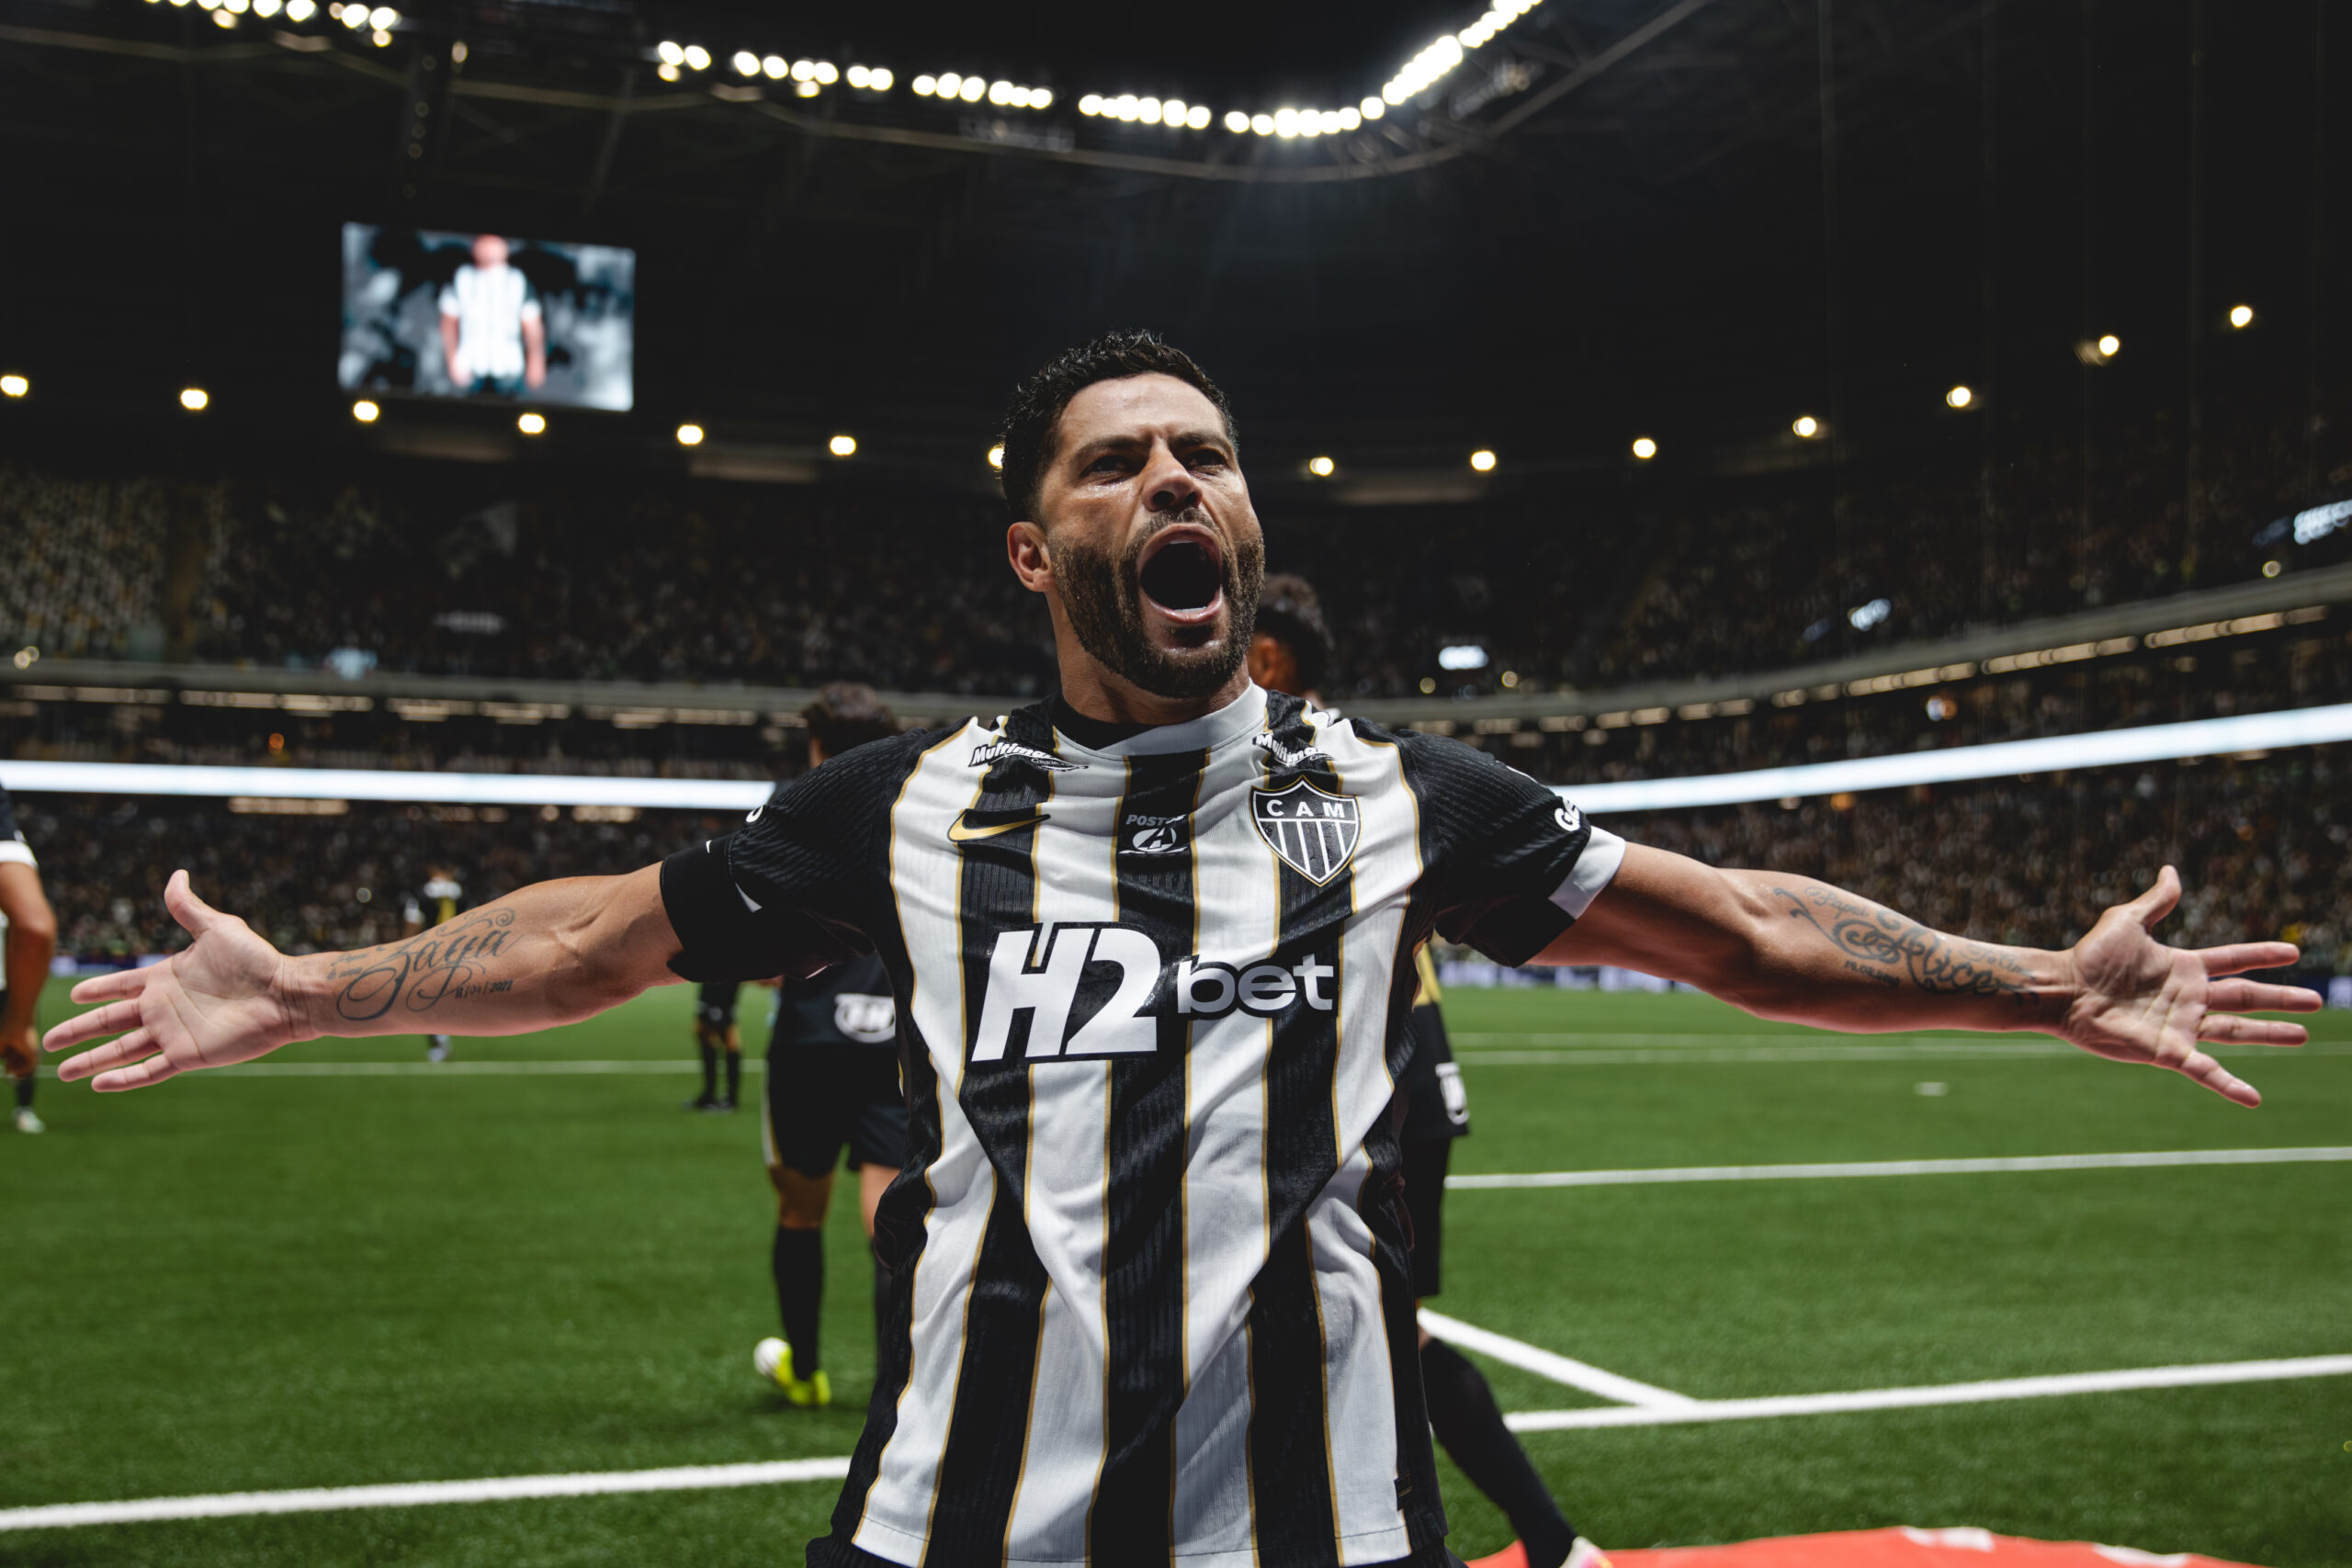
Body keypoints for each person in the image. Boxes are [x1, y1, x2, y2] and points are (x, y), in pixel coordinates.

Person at [46, 331, 2316, 1568]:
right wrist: (308, 986)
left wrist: (2038, 978)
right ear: (1033, 547)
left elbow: (1737, 932)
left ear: (1244, 517)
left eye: (1205, 455)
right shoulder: (907, 803)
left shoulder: (1402, 794)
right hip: (955, 1519)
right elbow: (593, 939)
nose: (1174, 481)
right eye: (1119, 459)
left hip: (1319, 1529)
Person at [1250, 578, 1605, 1568]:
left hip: (1369, 1070)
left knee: (1362, 1328)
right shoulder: (1373, 763)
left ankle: (1514, 1539)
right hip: (1400, 1055)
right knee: (1365, 1326)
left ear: (1268, 659)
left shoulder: (1291, 766)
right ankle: (1539, 1540)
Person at [754, 682, 912, 1410]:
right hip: (893, 1037)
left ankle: (807, 1373)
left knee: (800, 1210)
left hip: (812, 1038)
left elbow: (755, 940)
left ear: (818, 748)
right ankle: (898, 1391)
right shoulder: (917, 805)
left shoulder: (793, 810)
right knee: (889, 1220)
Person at [0, 784, 57, 1134]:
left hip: (7, 975)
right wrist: (18, 1025)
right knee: (23, 1041)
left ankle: (24, 1108)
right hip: (11, 978)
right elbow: (35, 928)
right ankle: (24, 1110)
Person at [437, 234, 546, 399]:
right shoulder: (462, 277)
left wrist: (536, 361)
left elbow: (532, 326)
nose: (489, 251)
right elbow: (448, 323)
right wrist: (452, 359)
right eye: (484, 245)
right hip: (471, 365)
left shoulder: (517, 280)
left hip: (508, 366)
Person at [401, 864, 466, 1063]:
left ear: (431, 870)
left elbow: (413, 924)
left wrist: (404, 952)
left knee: (428, 1001)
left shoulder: (421, 893)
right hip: (458, 952)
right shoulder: (461, 892)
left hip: (430, 954)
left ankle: (439, 1044)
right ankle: (443, 1040)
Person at [689, 981, 744, 1112]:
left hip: (723, 987)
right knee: (702, 1033)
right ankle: (709, 1094)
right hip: (710, 983)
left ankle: (731, 1098)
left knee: (729, 1038)